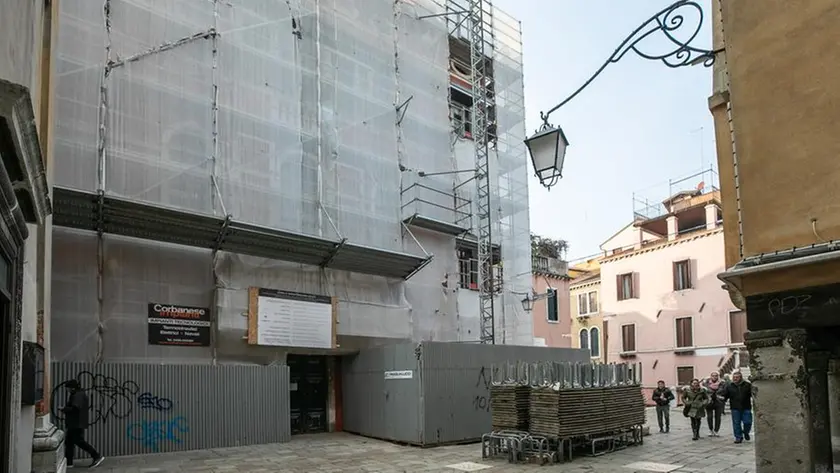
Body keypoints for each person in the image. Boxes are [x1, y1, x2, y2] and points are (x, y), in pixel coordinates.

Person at [61, 379, 105, 468]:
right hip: (74, 423)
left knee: (78, 441)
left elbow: (75, 408)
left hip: (76, 423)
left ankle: (96, 456)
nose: (67, 390)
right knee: (69, 442)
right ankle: (69, 463)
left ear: (72, 388)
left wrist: (64, 409)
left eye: (68, 388)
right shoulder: (77, 394)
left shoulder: (78, 395)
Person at [721, 370, 753, 444]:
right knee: (736, 423)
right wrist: (722, 398)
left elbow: (752, 394)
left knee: (748, 422)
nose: (735, 379)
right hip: (735, 407)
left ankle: (745, 432)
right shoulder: (729, 386)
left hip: (746, 407)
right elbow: (725, 395)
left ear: (741, 377)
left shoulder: (747, 385)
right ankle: (738, 437)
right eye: (734, 377)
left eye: (737, 377)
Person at [703, 371, 726, 437]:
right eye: (713, 375)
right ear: (711, 376)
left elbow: (723, 391)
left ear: (718, 376)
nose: (714, 377)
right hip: (709, 401)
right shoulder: (706, 383)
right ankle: (710, 430)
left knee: (718, 417)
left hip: (718, 401)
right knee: (709, 416)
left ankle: (716, 431)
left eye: (716, 375)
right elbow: (705, 391)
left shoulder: (722, 383)